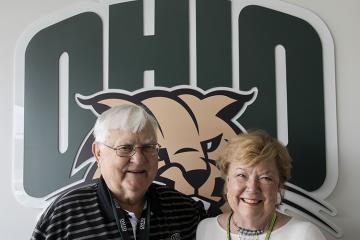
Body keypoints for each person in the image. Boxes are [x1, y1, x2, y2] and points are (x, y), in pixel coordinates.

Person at [32, 104, 205, 240]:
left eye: (148, 147)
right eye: (125, 148)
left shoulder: (185, 210)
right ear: (98, 153)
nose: (138, 159)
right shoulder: (64, 214)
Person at [196, 130, 326, 240]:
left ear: (278, 185)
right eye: (241, 175)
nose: (252, 188)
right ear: (228, 180)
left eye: (265, 178)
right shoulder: (206, 229)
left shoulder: (304, 235)